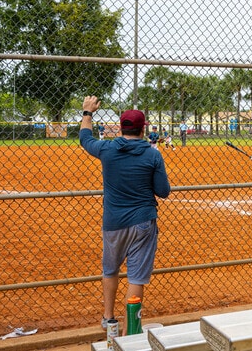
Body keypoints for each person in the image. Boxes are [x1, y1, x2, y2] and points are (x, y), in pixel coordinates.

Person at [79, 96, 171, 332]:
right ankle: (133, 326)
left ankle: (109, 319)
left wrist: (88, 113)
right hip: (143, 221)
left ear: (121, 127)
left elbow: (84, 138)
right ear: (144, 128)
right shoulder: (152, 154)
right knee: (137, 277)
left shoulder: (107, 149)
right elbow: (163, 191)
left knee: (110, 270)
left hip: (114, 222)